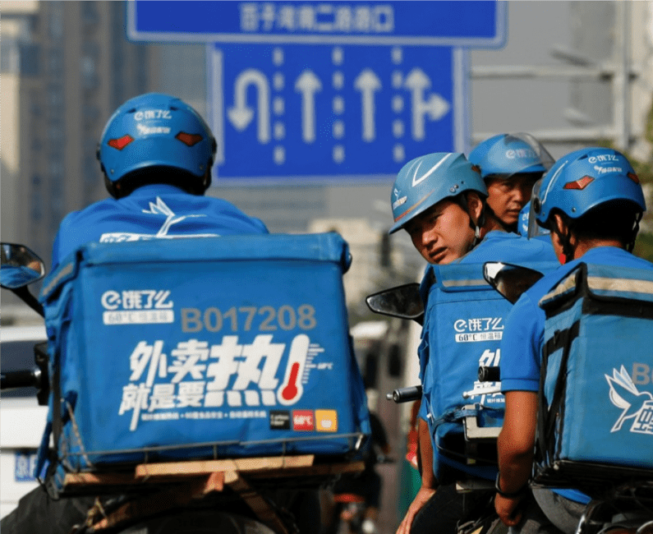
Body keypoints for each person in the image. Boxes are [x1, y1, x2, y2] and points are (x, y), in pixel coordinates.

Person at [1, 93, 326, 534]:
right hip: (243, 459)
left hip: (115, 464)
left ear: (111, 165)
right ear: (202, 160)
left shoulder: (82, 228)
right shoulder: (245, 228)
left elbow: (65, 334)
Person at [389, 152, 559, 534]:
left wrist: (428, 487)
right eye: (415, 230)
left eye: (433, 220)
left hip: (482, 477)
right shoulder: (554, 256)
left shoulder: (442, 283)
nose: (426, 239)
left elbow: (433, 404)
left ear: (474, 206)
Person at [494, 147, 653, 534]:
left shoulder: (538, 302)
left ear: (560, 225)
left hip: (578, 502)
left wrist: (505, 492)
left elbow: (519, 444)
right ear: (631, 224)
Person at [50, 92, 267, 270]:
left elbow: (59, 314)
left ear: (109, 170)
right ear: (205, 168)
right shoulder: (246, 229)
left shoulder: (78, 230)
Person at [468, 133, 554, 234]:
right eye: (507, 185)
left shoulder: (547, 239)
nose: (519, 197)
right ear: (480, 188)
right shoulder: (462, 245)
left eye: (528, 185)